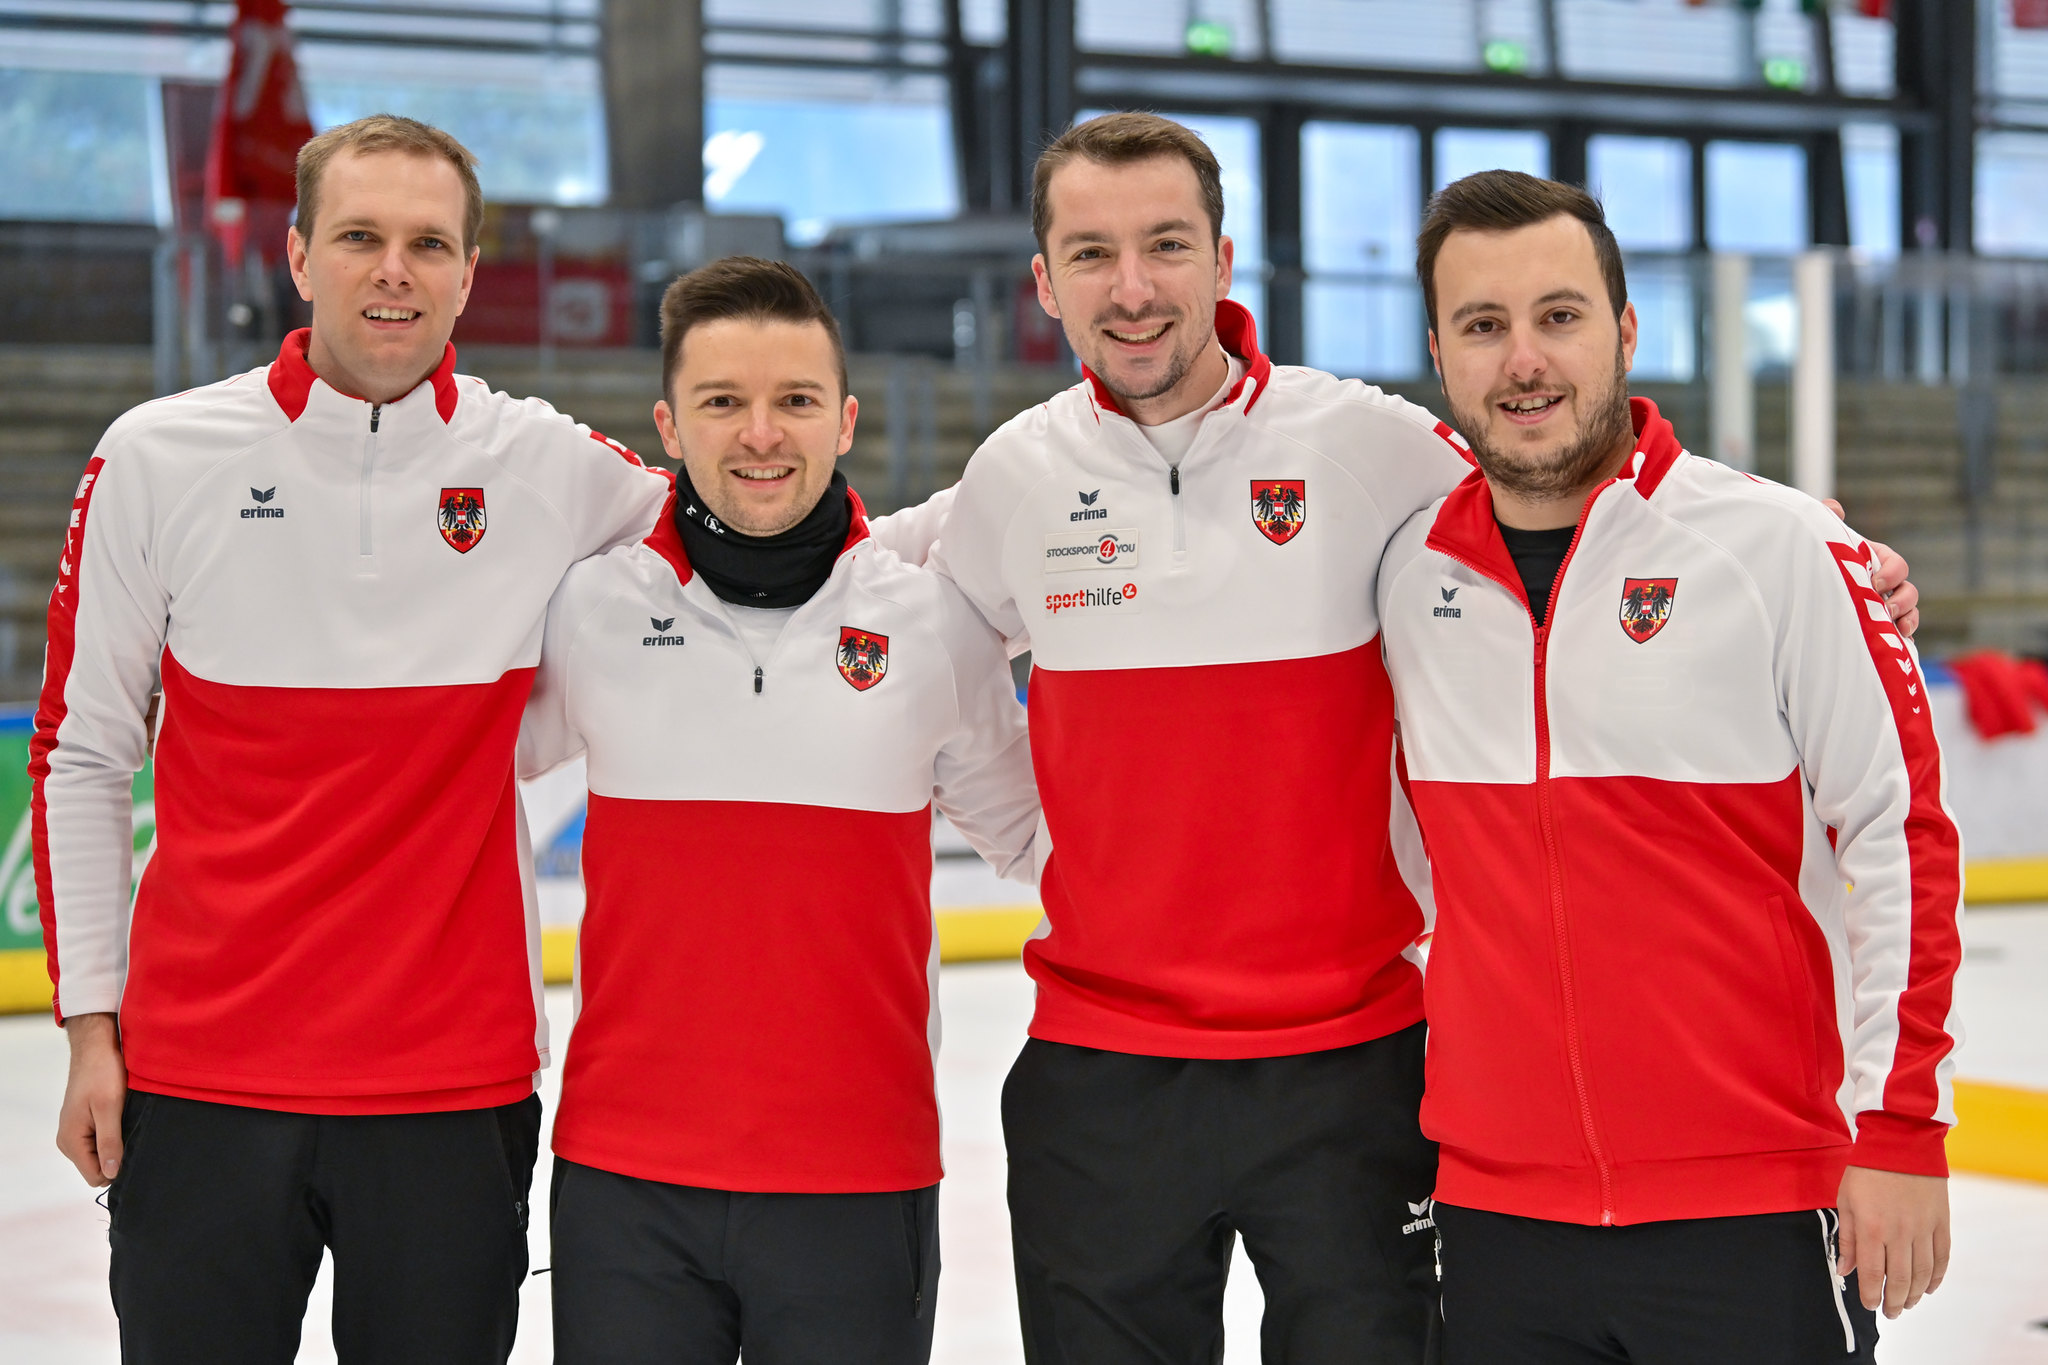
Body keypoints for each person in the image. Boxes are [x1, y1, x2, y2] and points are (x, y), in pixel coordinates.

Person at [865, 111, 1924, 1364]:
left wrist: (1821, 556)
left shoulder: (1367, 447)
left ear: (1222, 258)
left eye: (1164, 244)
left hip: (1358, 1070)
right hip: (1103, 1076)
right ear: (1042, 281)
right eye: (1091, 254)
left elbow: (1557, 478)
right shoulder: (1012, 478)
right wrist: (1037, 849)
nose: (1132, 287)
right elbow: (880, 607)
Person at [34, 114, 670, 1362]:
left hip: (451, 1088)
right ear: (297, 255)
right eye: (362, 237)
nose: (395, 269)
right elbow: (85, 756)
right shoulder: (157, 457)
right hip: (203, 1081)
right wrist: (92, 1034)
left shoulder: (546, 463)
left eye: (429, 243)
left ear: (470, 271)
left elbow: (755, 532)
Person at [1376, 169, 1962, 1363]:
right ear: (1439, 355)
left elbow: (1897, 831)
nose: (1523, 359)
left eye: (1558, 315)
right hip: (1497, 1216)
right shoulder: (1403, 575)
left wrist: (1897, 1125)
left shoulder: (1778, 546)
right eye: (1482, 327)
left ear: (1625, 331)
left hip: (1749, 1206)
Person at [521, 256, 1040, 1365]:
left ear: (845, 419)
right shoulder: (591, 612)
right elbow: (438, 790)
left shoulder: (932, 627)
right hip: (627, 1184)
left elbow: (1047, 847)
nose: (762, 434)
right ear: (667, 423)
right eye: (723, 403)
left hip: (860, 1178)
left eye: (795, 401)